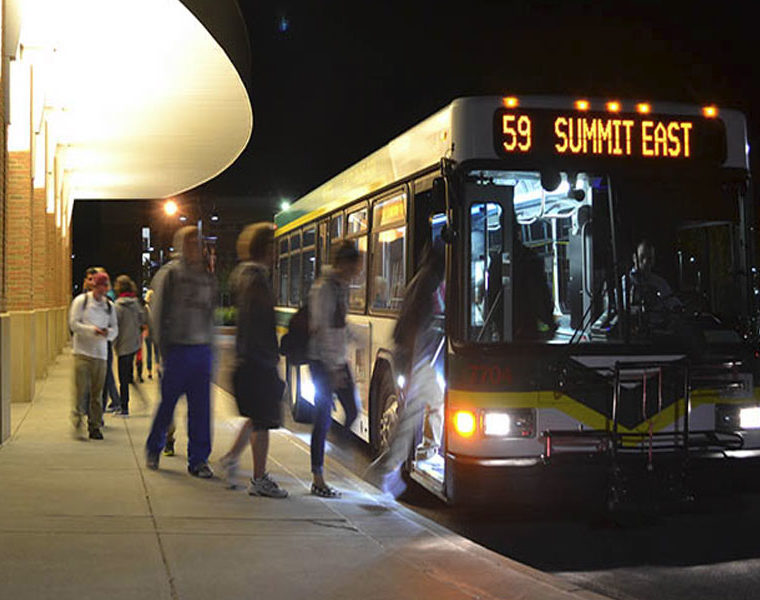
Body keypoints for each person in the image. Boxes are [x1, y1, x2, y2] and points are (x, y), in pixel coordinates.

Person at [367, 241, 445, 495]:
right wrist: (410, 370)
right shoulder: (428, 281)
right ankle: (387, 469)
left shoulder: (422, 278)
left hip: (417, 357)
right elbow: (413, 327)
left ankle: (428, 450)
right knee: (410, 415)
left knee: (436, 401)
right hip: (415, 358)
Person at [217, 223, 288, 497]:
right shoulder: (256, 280)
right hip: (258, 360)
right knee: (263, 421)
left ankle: (231, 458)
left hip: (252, 358)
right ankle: (259, 479)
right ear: (265, 248)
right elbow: (257, 323)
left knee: (258, 419)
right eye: (273, 246)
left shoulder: (246, 276)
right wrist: (269, 357)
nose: (276, 252)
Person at [145, 226, 217, 478]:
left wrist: (211, 350)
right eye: (190, 242)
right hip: (177, 350)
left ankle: (199, 459)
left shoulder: (206, 276)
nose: (195, 247)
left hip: (201, 351)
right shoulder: (170, 274)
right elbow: (157, 314)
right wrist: (162, 350)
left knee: (201, 410)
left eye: (198, 242)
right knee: (168, 405)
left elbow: (210, 315)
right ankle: (154, 447)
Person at [307, 240, 362, 497]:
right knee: (322, 416)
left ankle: (336, 444)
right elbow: (322, 330)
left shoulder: (341, 287)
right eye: (354, 267)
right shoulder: (324, 289)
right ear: (343, 263)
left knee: (352, 409)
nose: (356, 272)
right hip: (321, 361)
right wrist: (332, 368)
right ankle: (318, 478)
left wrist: (356, 338)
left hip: (337, 360)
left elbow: (340, 325)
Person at [69, 271, 119, 440]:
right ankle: (78, 421)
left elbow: (115, 329)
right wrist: (92, 331)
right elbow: (73, 324)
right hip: (82, 353)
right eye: (99, 287)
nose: (102, 290)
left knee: (97, 394)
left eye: (105, 287)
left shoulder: (109, 306)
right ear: (93, 286)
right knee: (81, 391)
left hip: (101, 355)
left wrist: (107, 334)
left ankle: (95, 426)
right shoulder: (81, 302)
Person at [626, 239, 682, 329]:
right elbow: (621, 309)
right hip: (634, 332)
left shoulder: (660, 283)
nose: (645, 262)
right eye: (642, 257)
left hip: (658, 330)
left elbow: (673, 304)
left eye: (649, 258)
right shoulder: (625, 283)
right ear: (634, 258)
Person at [113, 275, 147, 417]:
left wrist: (114, 343)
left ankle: (124, 407)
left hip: (122, 345)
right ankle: (141, 398)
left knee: (123, 378)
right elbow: (143, 320)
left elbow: (114, 326)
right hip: (134, 344)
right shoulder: (136, 304)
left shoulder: (117, 306)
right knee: (128, 375)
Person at [144, 289, 159, 379]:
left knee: (149, 352)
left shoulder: (145, 308)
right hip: (156, 332)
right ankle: (158, 368)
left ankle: (149, 372)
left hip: (148, 332)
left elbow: (144, 320)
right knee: (157, 352)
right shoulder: (157, 307)